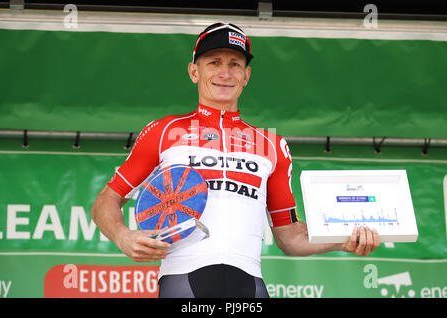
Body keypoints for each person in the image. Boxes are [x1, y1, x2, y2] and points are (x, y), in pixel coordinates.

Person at [91, 22, 380, 298]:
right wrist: (123, 236)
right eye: (214, 62)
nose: (225, 73)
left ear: (246, 75)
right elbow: (106, 200)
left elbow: (290, 236)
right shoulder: (164, 131)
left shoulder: (272, 144)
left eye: (234, 64)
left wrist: (344, 239)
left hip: (250, 283)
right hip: (183, 280)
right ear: (194, 71)